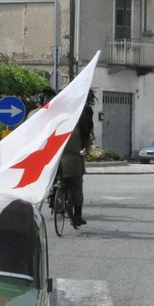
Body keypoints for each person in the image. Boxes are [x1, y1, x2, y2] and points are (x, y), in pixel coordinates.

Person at [59, 93, 94, 227]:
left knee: (56, 180)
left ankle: (55, 198)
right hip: (72, 162)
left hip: (55, 164)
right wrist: (86, 150)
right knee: (76, 188)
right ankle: (77, 215)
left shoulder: (57, 125)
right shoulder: (80, 127)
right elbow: (88, 147)